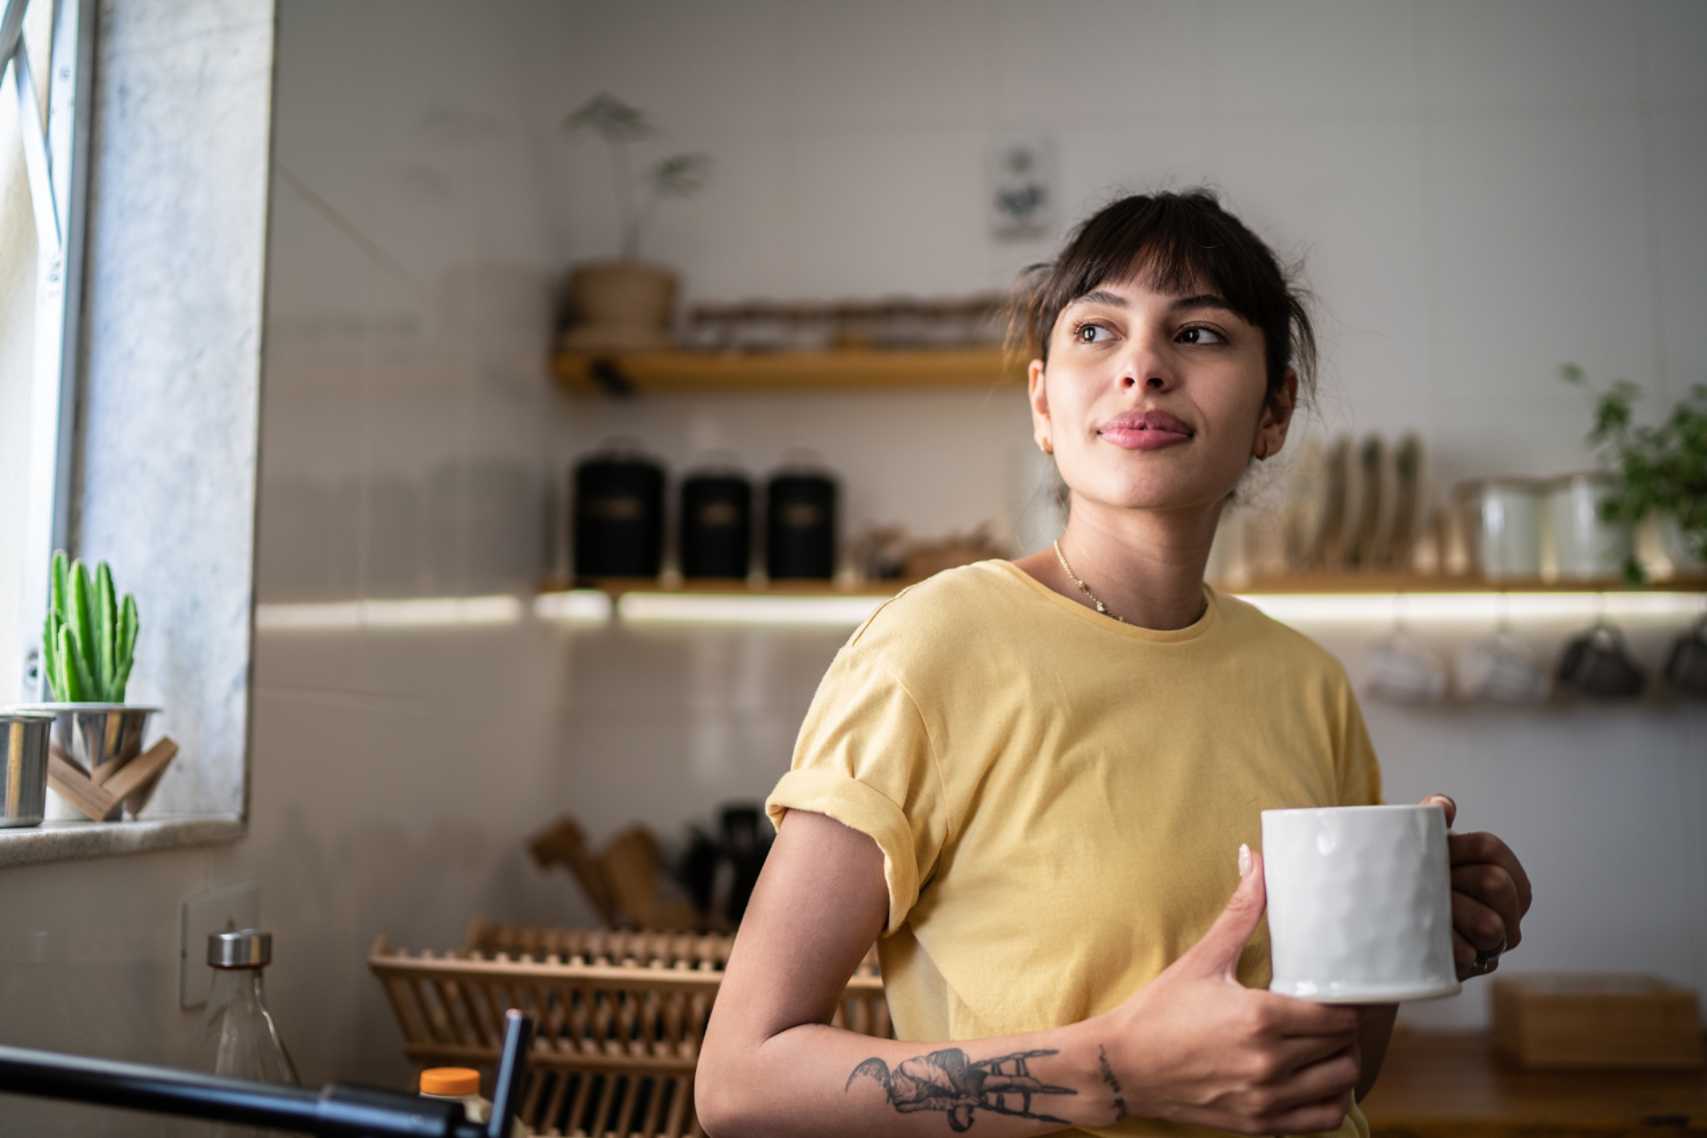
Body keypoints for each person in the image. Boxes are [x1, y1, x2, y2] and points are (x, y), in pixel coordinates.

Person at [695, 189, 1533, 1138]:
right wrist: (1115, 1073)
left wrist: (1409, 940)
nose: (1141, 367)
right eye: (1096, 331)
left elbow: (1326, 1080)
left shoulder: (1306, 682)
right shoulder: (932, 647)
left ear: (1274, 409)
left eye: (1201, 334)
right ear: (1043, 401)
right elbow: (740, 1084)